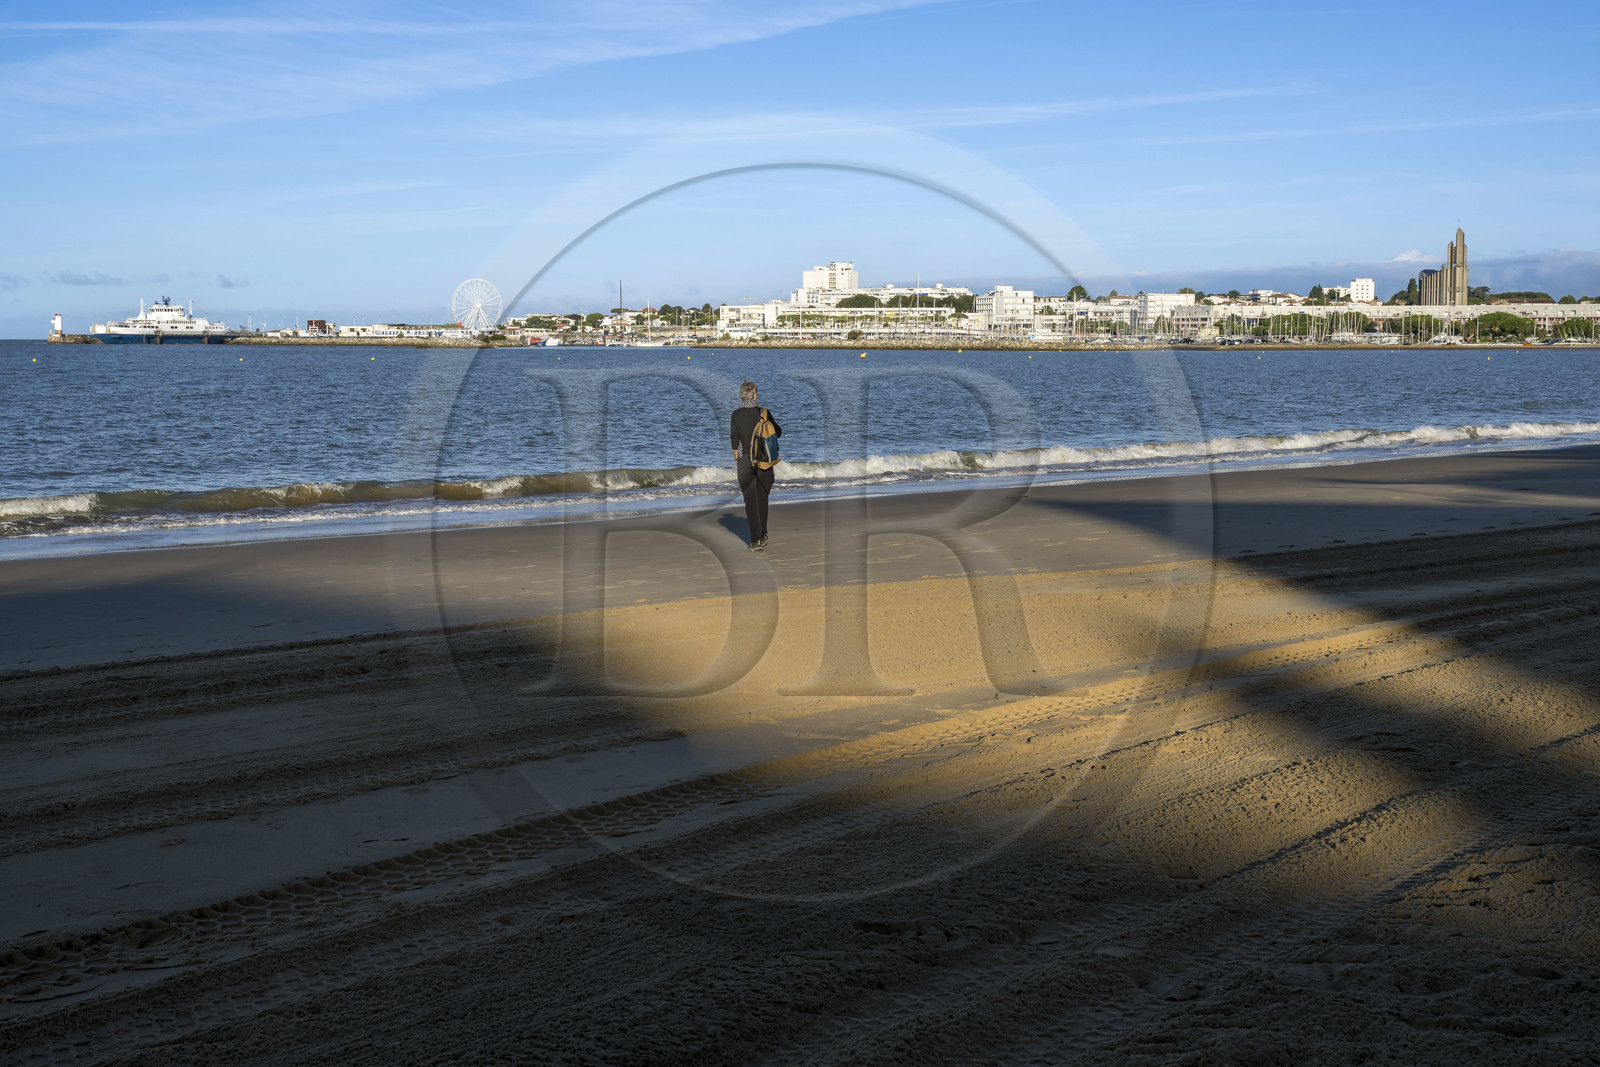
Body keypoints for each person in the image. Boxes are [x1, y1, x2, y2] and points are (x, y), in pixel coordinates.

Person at [730, 380, 781, 550]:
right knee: (762, 498)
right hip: (763, 460)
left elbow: (733, 440)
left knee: (750, 502)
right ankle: (764, 534)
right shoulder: (764, 413)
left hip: (744, 460)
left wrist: (738, 461)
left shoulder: (735, 415)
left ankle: (755, 540)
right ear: (755, 395)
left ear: (741, 396)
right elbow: (778, 432)